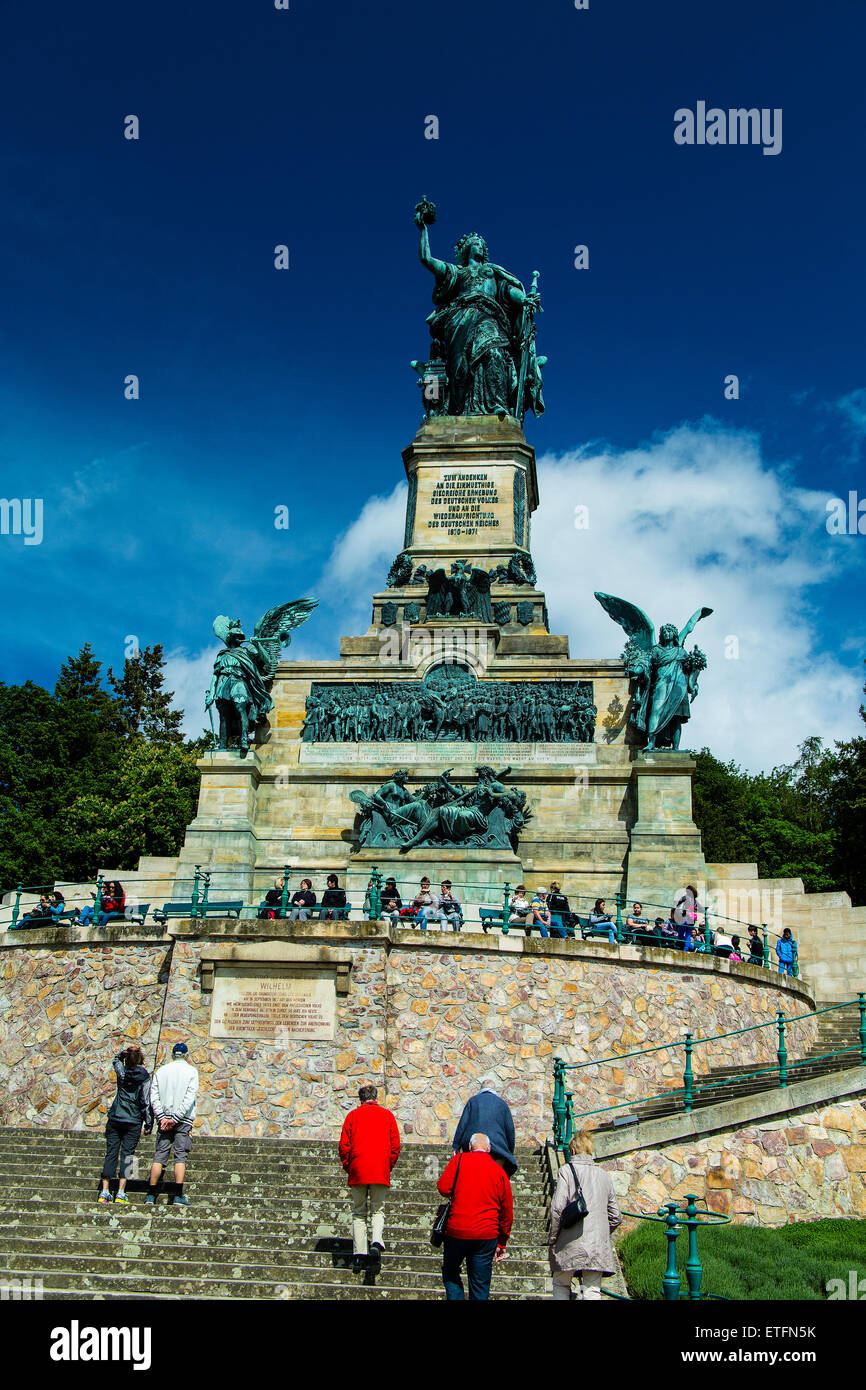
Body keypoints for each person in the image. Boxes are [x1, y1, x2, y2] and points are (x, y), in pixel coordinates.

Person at [437, 1133, 513, 1301]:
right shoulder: (499, 1171)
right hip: (487, 1234)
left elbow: (443, 1188)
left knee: (450, 1272)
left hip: (457, 1230)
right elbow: (507, 1211)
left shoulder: (459, 1161)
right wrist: (502, 1241)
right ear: (489, 1148)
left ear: (470, 1147)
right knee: (480, 1284)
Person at [548, 1128, 622, 1300]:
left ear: (573, 1150)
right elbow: (616, 1215)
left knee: (561, 1283)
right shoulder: (604, 1176)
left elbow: (557, 1208)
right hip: (597, 1245)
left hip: (569, 1241)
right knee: (592, 1290)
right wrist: (601, 1233)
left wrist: (554, 1238)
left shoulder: (566, 1171)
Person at [338, 1083, 401, 1271]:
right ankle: (376, 1242)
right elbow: (395, 1146)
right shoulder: (387, 1116)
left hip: (358, 1169)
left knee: (359, 1212)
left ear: (360, 1100)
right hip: (379, 1170)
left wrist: (349, 1165)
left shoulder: (352, 1116)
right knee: (378, 1210)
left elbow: (344, 1146)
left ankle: (359, 1254)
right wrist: (387, 1165)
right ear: (376, 1098)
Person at [145, 1042, 199, 1206]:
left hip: (164, 1119)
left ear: (172, 1054)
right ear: (187, 1055)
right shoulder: (191, 1071)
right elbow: (189, 1097)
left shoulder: (161, 1071)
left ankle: (151, 1195)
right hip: (182, 1120)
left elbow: (153, 1096)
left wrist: (162, 1117)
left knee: (159, 1155)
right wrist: (176, 1118)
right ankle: (178, 1194)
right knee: (180, 1156)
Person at [98, 1045, 151, 1205]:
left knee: (111, 1152)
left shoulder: (122, 1073)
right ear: (141, 1060)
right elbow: (146, 1102)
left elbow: (115, 1060)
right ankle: (121, 1192)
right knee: (129, 1155)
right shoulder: (145, 1077)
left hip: (116, 1117)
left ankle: (105, 1191)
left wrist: (122, 1053)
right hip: (133, 1120)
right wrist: (149, 1123)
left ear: (127, 1060)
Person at [452, 1079, 517, 1175]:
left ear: (481, 1089)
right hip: (497, 1149)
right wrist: (509, 1151)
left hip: (473, 1147)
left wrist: (456, 1146)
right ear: (493, 1089)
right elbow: (510, 1130)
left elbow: (462, 1124)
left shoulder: (473, 1101)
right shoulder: (502, 1104)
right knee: (495, 1177)